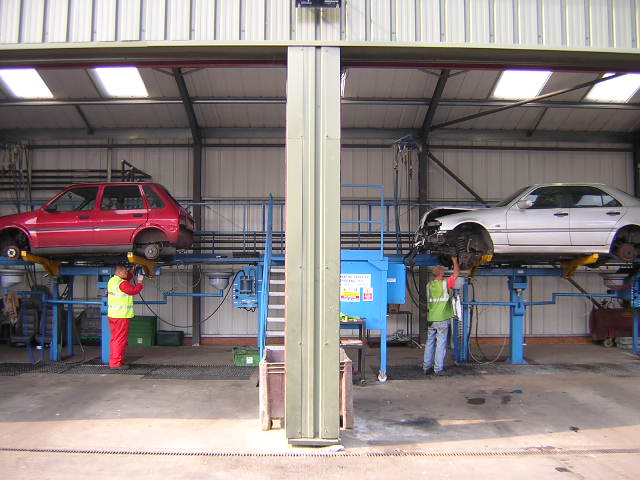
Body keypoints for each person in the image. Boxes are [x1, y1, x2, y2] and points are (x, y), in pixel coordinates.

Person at [423, 256, 460, 376]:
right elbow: (456, 274)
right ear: (442, 273)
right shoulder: (445, 284)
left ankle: (426, 367)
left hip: (431, 319)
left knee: (429, 343)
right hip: (442, 319)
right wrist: (454, 260)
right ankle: (438, 369)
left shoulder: (429, 285)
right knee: (441, 344)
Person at [107, 264, 144, 369]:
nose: (126, 273)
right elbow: (133, 290)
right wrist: (140, 282)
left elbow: (126, 278)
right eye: (124, 272)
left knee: (115, 339)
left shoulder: (112, 281)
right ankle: (116, 363)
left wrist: (132, 272)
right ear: (119, 273)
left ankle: (115, 360)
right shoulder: (122, 284)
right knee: (120, 340)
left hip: (113, 315)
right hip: (121, 316)